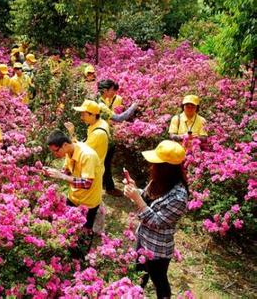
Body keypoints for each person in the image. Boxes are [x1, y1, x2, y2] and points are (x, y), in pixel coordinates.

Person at [123, 140, 188, 299]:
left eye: (156, 164)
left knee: (159, 281)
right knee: (139, 273)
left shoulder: (179, 196)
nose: (151, 166)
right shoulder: (158, 181)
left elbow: (157, 222)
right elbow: (146, 198)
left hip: (157, 248)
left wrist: (137, 199)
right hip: (142, 237)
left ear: (166, 168)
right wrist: (134, 190)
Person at [44, 130, 103, 231]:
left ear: (65, 145)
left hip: (88, 202)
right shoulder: (70, 151)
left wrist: (62, 176)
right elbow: (66, 171)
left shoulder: (87, 156)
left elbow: (87, 183)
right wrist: (53, 173)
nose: (55, 154)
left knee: (84, 232)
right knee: (69, 226)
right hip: (73, 197)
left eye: (56, 150)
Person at [97, 79, 138, 196]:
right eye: (111, 90)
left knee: (103, 161)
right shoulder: (101, 105)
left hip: (101, 134)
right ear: (105, 90)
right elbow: (119, 118)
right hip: (104, 136)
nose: (113, 93)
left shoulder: (100, 101)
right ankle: (109, 188)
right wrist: (133, 107)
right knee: (106, 161)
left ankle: (105, 185)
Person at [64, 100, 109, 175]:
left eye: (83, 115)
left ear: (93, 115)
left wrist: (71, 133)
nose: (81, 117)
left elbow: (79, 151)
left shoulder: (97, 133)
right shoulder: (99, 123)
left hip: (91, 172)